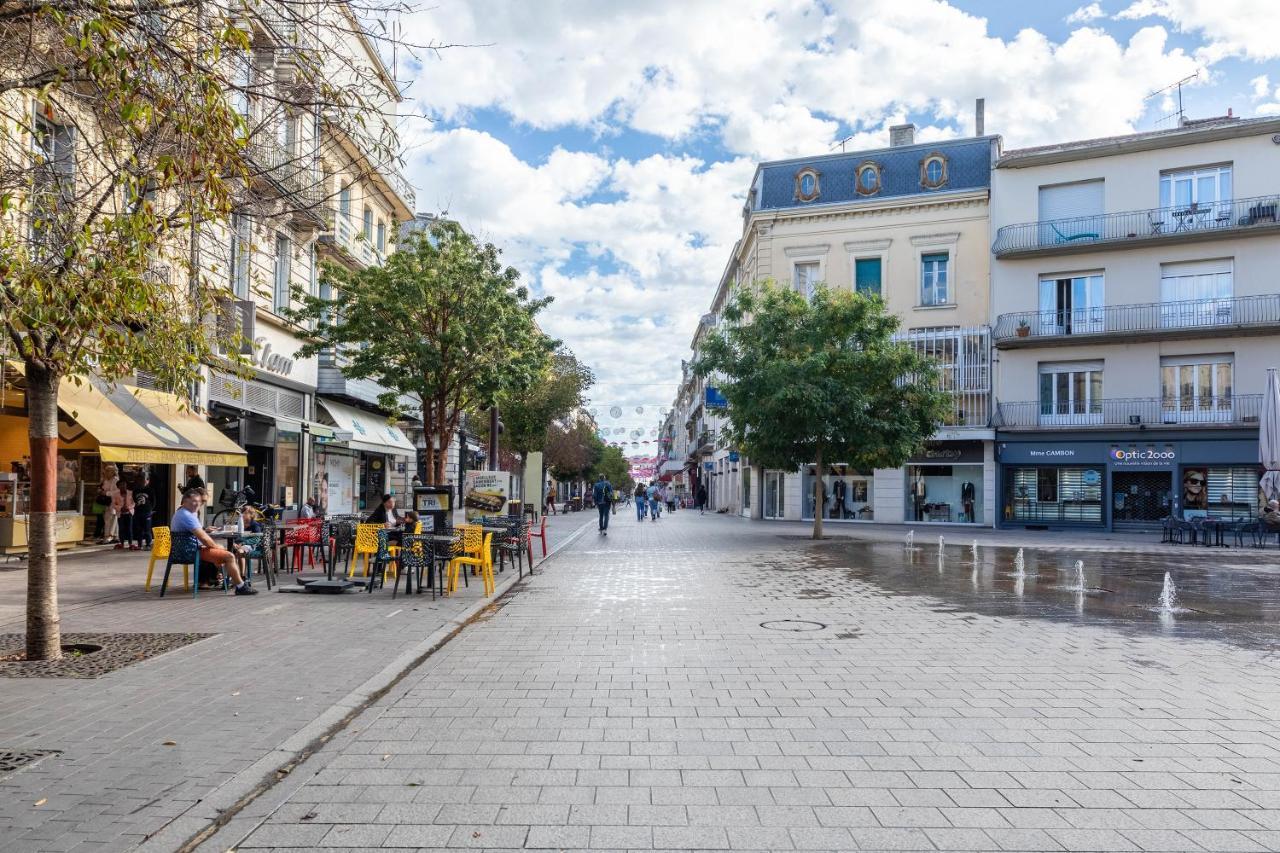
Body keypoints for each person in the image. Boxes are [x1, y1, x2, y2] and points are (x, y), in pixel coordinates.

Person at [171, 488, 256, 594]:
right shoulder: (187, 516)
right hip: (191, 551)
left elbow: (200, 536)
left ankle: (223, 579)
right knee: (229, 556)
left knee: (222, 551)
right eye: (193, 502)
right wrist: (216, 547)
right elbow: (204, 538)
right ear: (184, 501)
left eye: (199, 502)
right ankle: (240, 586)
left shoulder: (181, 512)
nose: (197, 504)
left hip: (182, 550)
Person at [131, 473, 154, 551]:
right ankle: (140, 544)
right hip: (138, 512)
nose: (141, 482)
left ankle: (148, 544)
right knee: (139, 529)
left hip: (147, 512)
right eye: (139, 480)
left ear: (146, 481)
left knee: (147, 529)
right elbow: (134, 499)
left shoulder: (150, 490)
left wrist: (150, 509)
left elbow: (153, 501)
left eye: (143, 480)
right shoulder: (135, 490)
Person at [99, 464, 120, 544]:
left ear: (113, 472)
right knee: (109, 518)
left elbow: (117, 491)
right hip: (107, 502)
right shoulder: (106, 480)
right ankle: (115, 536)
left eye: (108, 471)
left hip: (113, 502)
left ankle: (109, 536)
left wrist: (106, 493)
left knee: (111, 519)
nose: (106, 473)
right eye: (106, 471)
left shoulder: (115, 480)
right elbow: (103, 488)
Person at [113, 482, 134, 550]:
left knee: (129, 529)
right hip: (120, 514)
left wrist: (128, 508)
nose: (123, 487)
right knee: (121, 529)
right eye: (121, 486)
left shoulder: (131, 493)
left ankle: (130, 543)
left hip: (129, 513)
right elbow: (114, 504)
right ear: (118, 487)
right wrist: (120, 508)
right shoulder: (115, 494)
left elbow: (134, 503)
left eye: (124, 485)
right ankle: (122, 543)